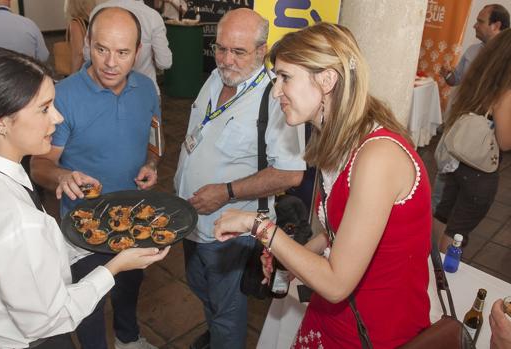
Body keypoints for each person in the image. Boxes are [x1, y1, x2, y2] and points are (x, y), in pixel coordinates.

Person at [0, 47, 168, 349]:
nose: (57, 118)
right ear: (0, 121)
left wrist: (91, 240)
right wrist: (116, 266)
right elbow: (52, 317)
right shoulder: (16, 219)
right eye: (44, 108)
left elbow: (20, 259)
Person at [214, 23, 432, 348]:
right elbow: (337, 234)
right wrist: (294, 255)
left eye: (286, 77)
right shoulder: (338, 140)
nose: (276, 92)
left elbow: (335, 283)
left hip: (375, 330)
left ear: (327, 79)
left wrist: (259, 227)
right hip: (338, 318)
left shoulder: (377, 157)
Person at [174, 8, 306, 349]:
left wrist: (227, 191)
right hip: (191, 219)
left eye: (239, 51)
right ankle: (216, 331)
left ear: (262, 50)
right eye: (220, 48)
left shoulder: (276, 98)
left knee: (228, 308)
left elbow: (291, 173)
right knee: (202, 288)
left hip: (231, 231)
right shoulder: (217, 76)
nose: (226, 60)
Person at [30, 7, 161, 349]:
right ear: (87, 43)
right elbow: (38, 165)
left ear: (139, 50)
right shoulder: (64, 96)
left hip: (135, 217)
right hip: (83, 223)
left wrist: (152, 164)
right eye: (101, 49)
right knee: (88, 301)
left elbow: (154, 140)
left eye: (122, 52)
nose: (111, 63)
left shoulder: (147, 90)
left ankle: (128, 339)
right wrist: (62, 174)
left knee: (131, 284)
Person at [434, 28, 511, 252]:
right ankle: (444, 275)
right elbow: (505, 142)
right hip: (480, 171)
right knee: (457, 230)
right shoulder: (506, 93)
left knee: (442, 214)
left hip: (457, 162)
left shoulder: (480, 81)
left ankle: (429, 261)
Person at [90, 0, 172, 96]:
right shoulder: (153, 16)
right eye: (102, 49)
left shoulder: (98, 11)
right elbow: (164, 62)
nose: (111, 63)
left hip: (101, 91)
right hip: (144, 93)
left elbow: (88, 55)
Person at [440, 4, 509, 86]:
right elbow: (457, 79)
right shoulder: (472, 50)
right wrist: (448, 75)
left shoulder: (507, 55)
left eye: (480, 21)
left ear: (496, 26)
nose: (475, 26)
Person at [65, 0, 94, 73]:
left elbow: (78, 54)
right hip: (94, 67)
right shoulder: (94, 19)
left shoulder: (76, 23)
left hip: (84, 70)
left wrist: (72, 77)